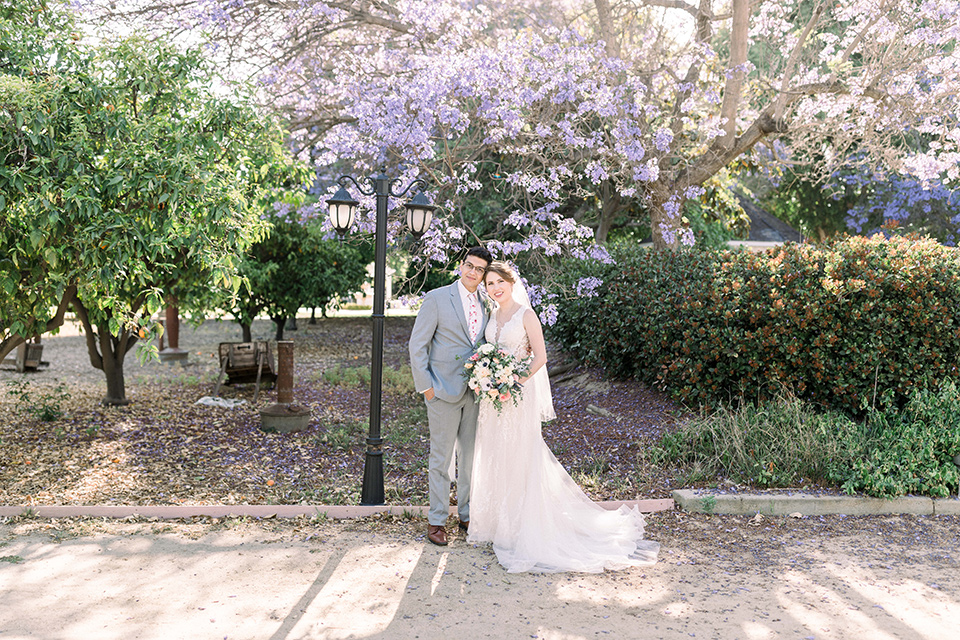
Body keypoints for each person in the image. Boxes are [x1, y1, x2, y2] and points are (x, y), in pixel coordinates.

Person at [467, 261, 660, 573]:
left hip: (517, 394)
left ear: (512, 282)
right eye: (489, 284)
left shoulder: (526, 315)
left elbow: (541, 357)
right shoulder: (492, 315)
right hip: (494, 399)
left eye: (499, 281)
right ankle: (501, 525)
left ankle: (526, 528)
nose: (494, 288)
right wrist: (488, 377)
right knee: (497, 455)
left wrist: (512, 381)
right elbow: (490, 352)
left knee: (522, 455)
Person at [409, 246, 494, 546]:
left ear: (484, 275)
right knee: (441, 460)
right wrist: (427, 388)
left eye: (480, 269)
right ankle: (436, 520)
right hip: (441, 392)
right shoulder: (436, 298)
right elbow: (417, 345)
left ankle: (466, 514)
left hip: (475, 392)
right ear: (461, 266)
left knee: (469, 458)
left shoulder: (488, 302)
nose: (473, 273)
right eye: (470, 266)